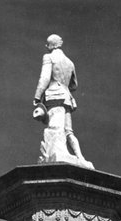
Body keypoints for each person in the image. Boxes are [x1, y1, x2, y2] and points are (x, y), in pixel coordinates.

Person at [33, 34, 93, 168]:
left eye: (47, 44)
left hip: (54, 95)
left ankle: (57, 153)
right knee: (68, 131)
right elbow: (74, 85)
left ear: (50, 45)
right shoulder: (70, 62)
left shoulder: (48, 57)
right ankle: (80, 157)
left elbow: (44, 78)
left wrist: (37, 96)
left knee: (54, 127)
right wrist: (64, 86)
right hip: (67, 97)